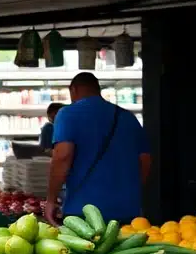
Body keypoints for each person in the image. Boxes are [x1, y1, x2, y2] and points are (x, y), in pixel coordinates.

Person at [44, 72, 150, 227]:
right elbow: (145, 160)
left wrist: (51, 200)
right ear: (97, 89)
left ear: (73, 89)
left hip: (84, 210)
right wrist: (130, 191)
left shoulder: (67, 114)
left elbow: (63, 156)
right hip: (127, 210)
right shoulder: (127, 117)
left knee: (87, 250)